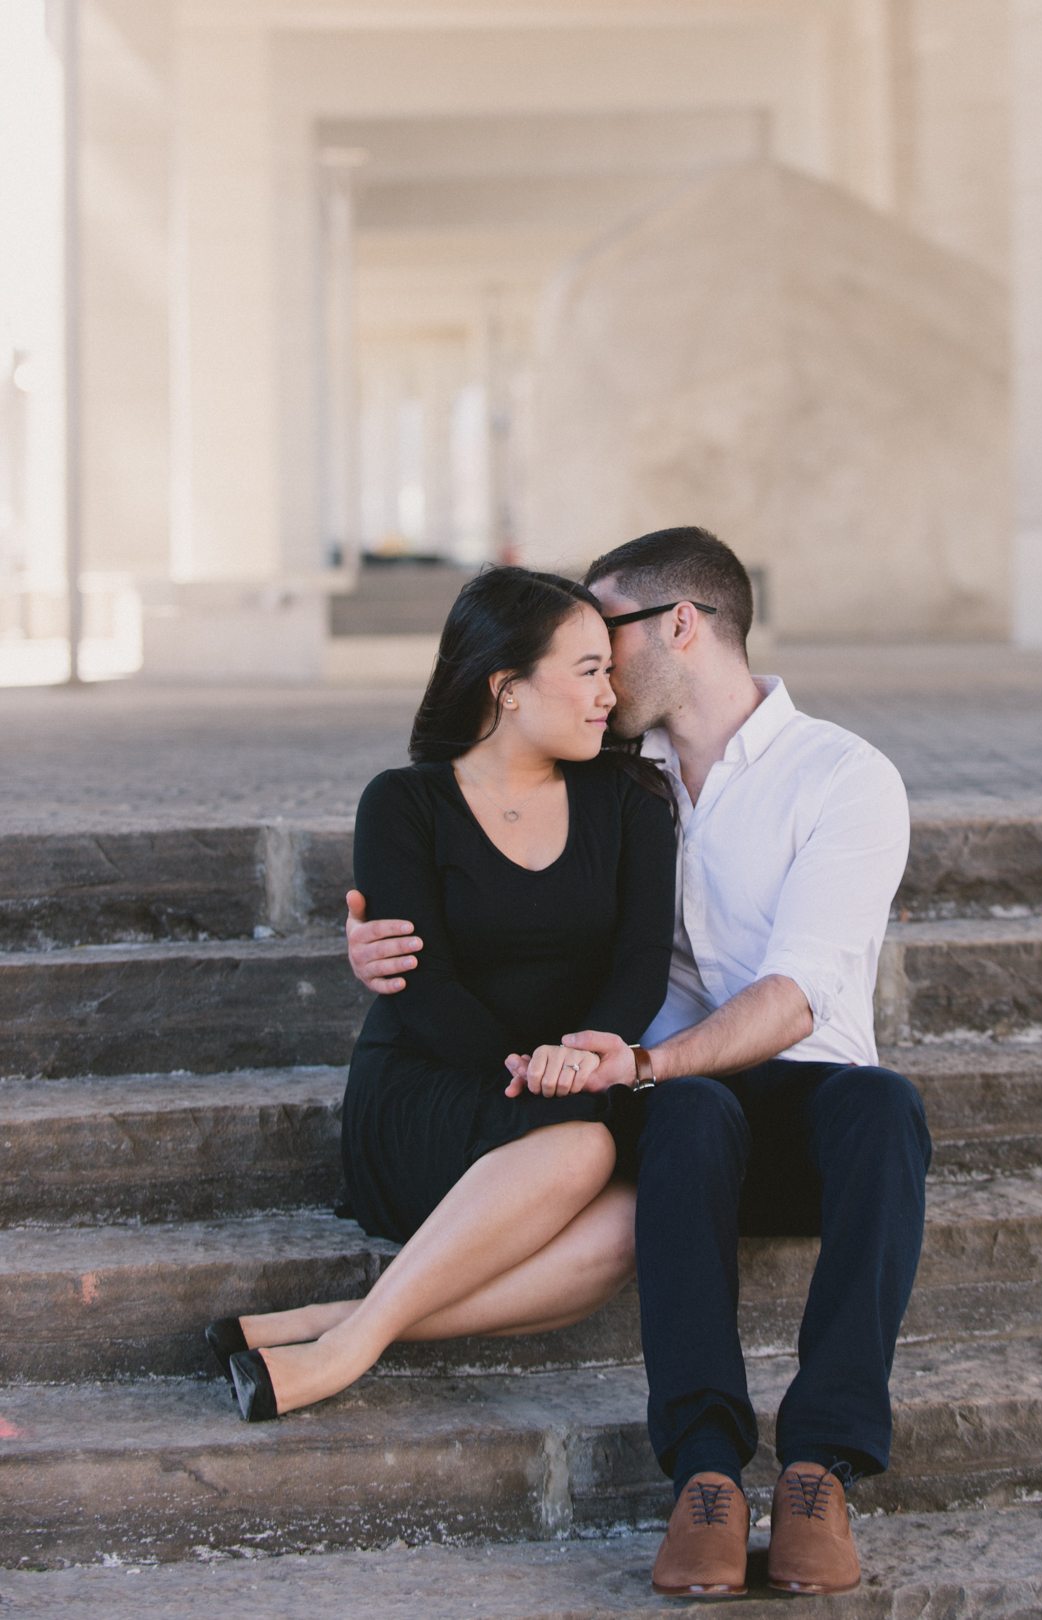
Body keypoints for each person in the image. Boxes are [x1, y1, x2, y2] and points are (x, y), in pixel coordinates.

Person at [349, 527, 932, 1598]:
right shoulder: (611, 772)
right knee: (695, 1113)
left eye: (603, 630)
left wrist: (652, 1063)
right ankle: (705, 1475)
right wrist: (382, 939)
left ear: (679, 625)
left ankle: (818, 1469)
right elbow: (490, 861)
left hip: (778, 1098)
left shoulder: (842, 776)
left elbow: (796, 994)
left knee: (883, 1109)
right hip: (667, 1124)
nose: (591, 659)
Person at [205, 567, 676, 1433]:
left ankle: (338, 1327)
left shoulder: (635, 800)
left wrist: (580, 1054)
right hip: (428, 1088)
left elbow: (642, 965)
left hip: (571, 1086)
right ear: (508, 687)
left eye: (610, 670)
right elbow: (422, 984)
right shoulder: (404, 801)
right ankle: (343, 1354)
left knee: (628, 1223)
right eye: (588, 672)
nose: (613, 695)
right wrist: (530, 1071)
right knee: (581, 1155)